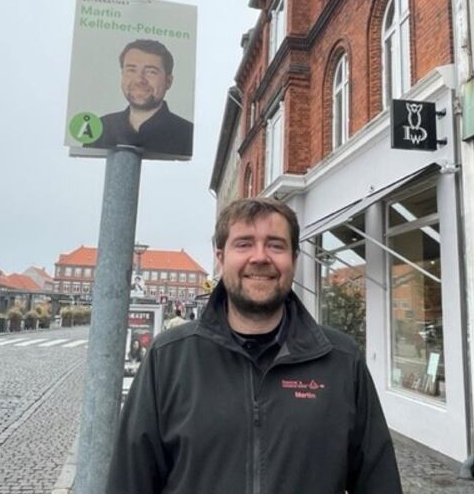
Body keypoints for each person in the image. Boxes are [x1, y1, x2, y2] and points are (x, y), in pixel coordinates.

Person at [106, 198, 402, 494]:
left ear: (294, 260)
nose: (260, 257)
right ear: (220, 258)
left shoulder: (341, 361)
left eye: (275, 245)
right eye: (244, 244)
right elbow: (130, 481)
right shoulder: (168, 358)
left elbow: (379, 481)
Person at [86, 39, 193, 157]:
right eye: (131, 70)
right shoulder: (98, 128)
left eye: (151, 71)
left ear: (168, 81)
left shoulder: (190, 135)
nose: (139, 80)